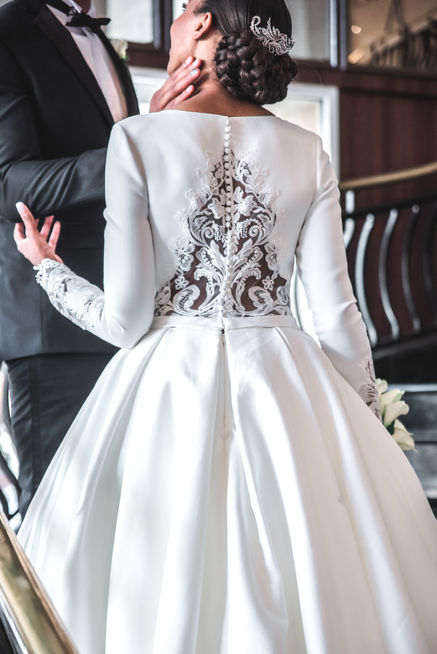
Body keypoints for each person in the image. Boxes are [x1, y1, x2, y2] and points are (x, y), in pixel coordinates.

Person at [15, 0, 437, 652]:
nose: (178, 18)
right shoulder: (307, 151)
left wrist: (49, 269)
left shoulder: (138, 140)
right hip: (284, 383)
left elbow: (126, 322)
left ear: (206, 22)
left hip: (166, 382)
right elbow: (335, 314)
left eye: (185, 7)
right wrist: (362, 424)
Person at [0, 0, 200, 517]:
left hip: (128, 316)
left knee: (124, 517)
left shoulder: (102, 44)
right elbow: (10, 184)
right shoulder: (9, 28)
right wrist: (139, 145)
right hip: (55, 325)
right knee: (58, 514)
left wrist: (146, 134)